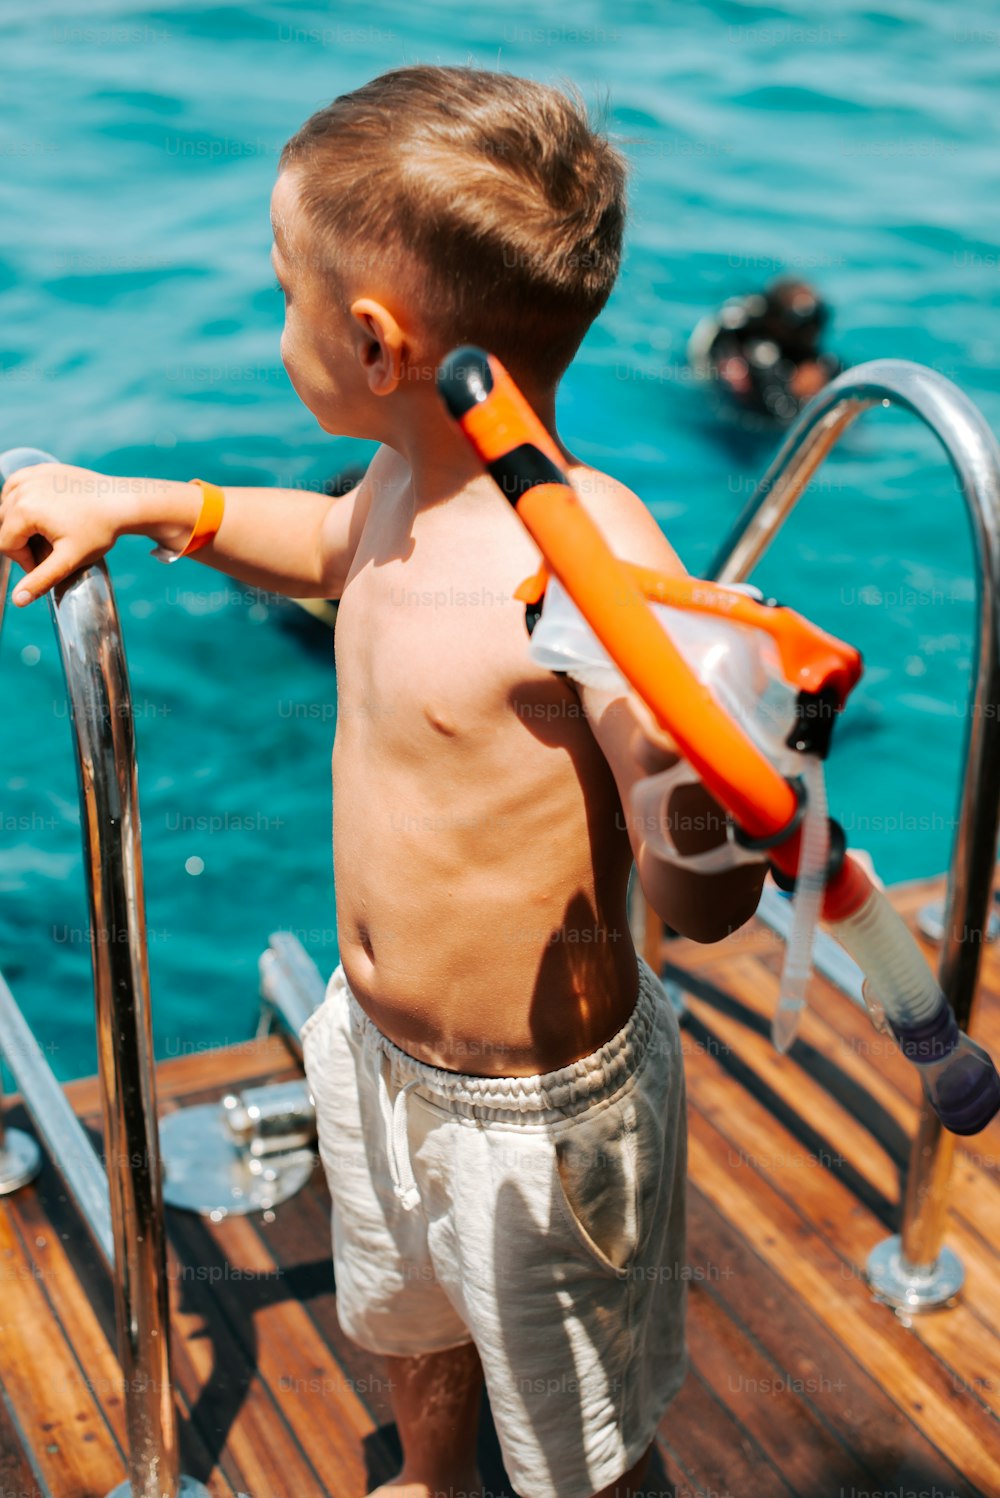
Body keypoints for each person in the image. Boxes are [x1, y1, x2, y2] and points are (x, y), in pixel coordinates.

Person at [0, 66, 769, 1498]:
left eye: (281, 293)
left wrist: (707, 791)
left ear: (372, 343)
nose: (270, 319)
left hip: (544, 1114)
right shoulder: (409, 488)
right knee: (406, 1308)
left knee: (577, 1413)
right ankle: (431, 1464)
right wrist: (150, 500)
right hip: (378, 1049)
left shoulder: (593, 562)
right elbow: (327, 543)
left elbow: (703, 904)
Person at [688, 276, 843, 427]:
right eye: (803, 329)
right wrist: (803, 397)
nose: (810, 334)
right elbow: (781, 414)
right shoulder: (759, 351)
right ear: (775, 322)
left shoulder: (816, 354)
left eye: (816, 324)